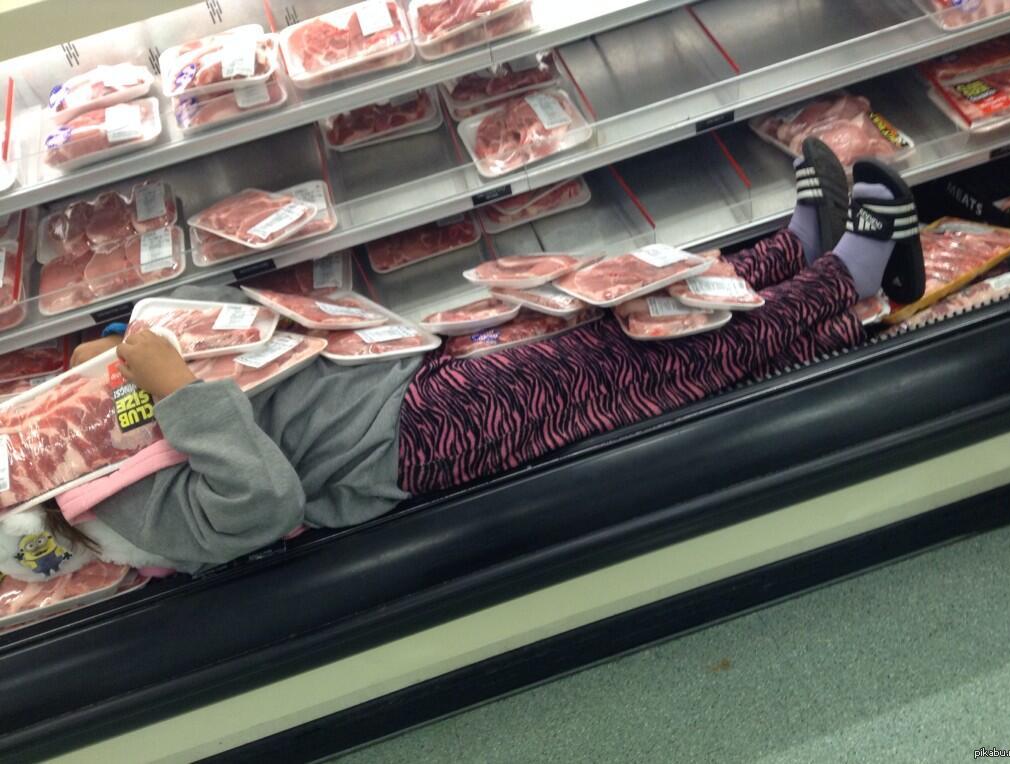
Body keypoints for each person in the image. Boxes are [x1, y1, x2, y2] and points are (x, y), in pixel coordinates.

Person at [36, 139, 926, 574]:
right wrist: (179, 393)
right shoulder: (129, 520)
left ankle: (787, 254)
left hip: (401, 371)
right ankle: (848, 276)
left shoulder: (81, 435)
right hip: (411, 439)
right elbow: (263, 504)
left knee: (613, 309)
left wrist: (115, 354)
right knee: (638, 364)